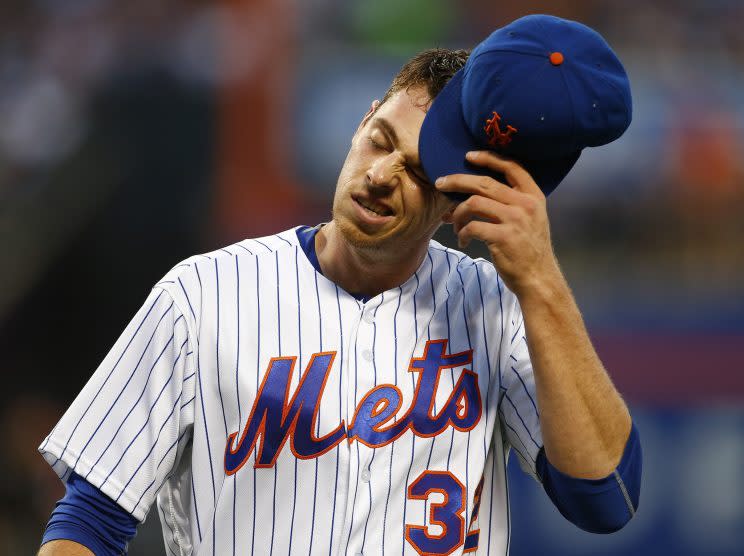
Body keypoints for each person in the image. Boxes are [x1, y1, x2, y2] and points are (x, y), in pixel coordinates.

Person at [38, 14, 641, 556]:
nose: (379, 175)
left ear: (459, 202)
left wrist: (541, 284)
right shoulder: (202, 295)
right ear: (361, 121)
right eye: (379, 139)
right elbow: (89, 520)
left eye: (419, 171)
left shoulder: (497, 310)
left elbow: (604, 499)